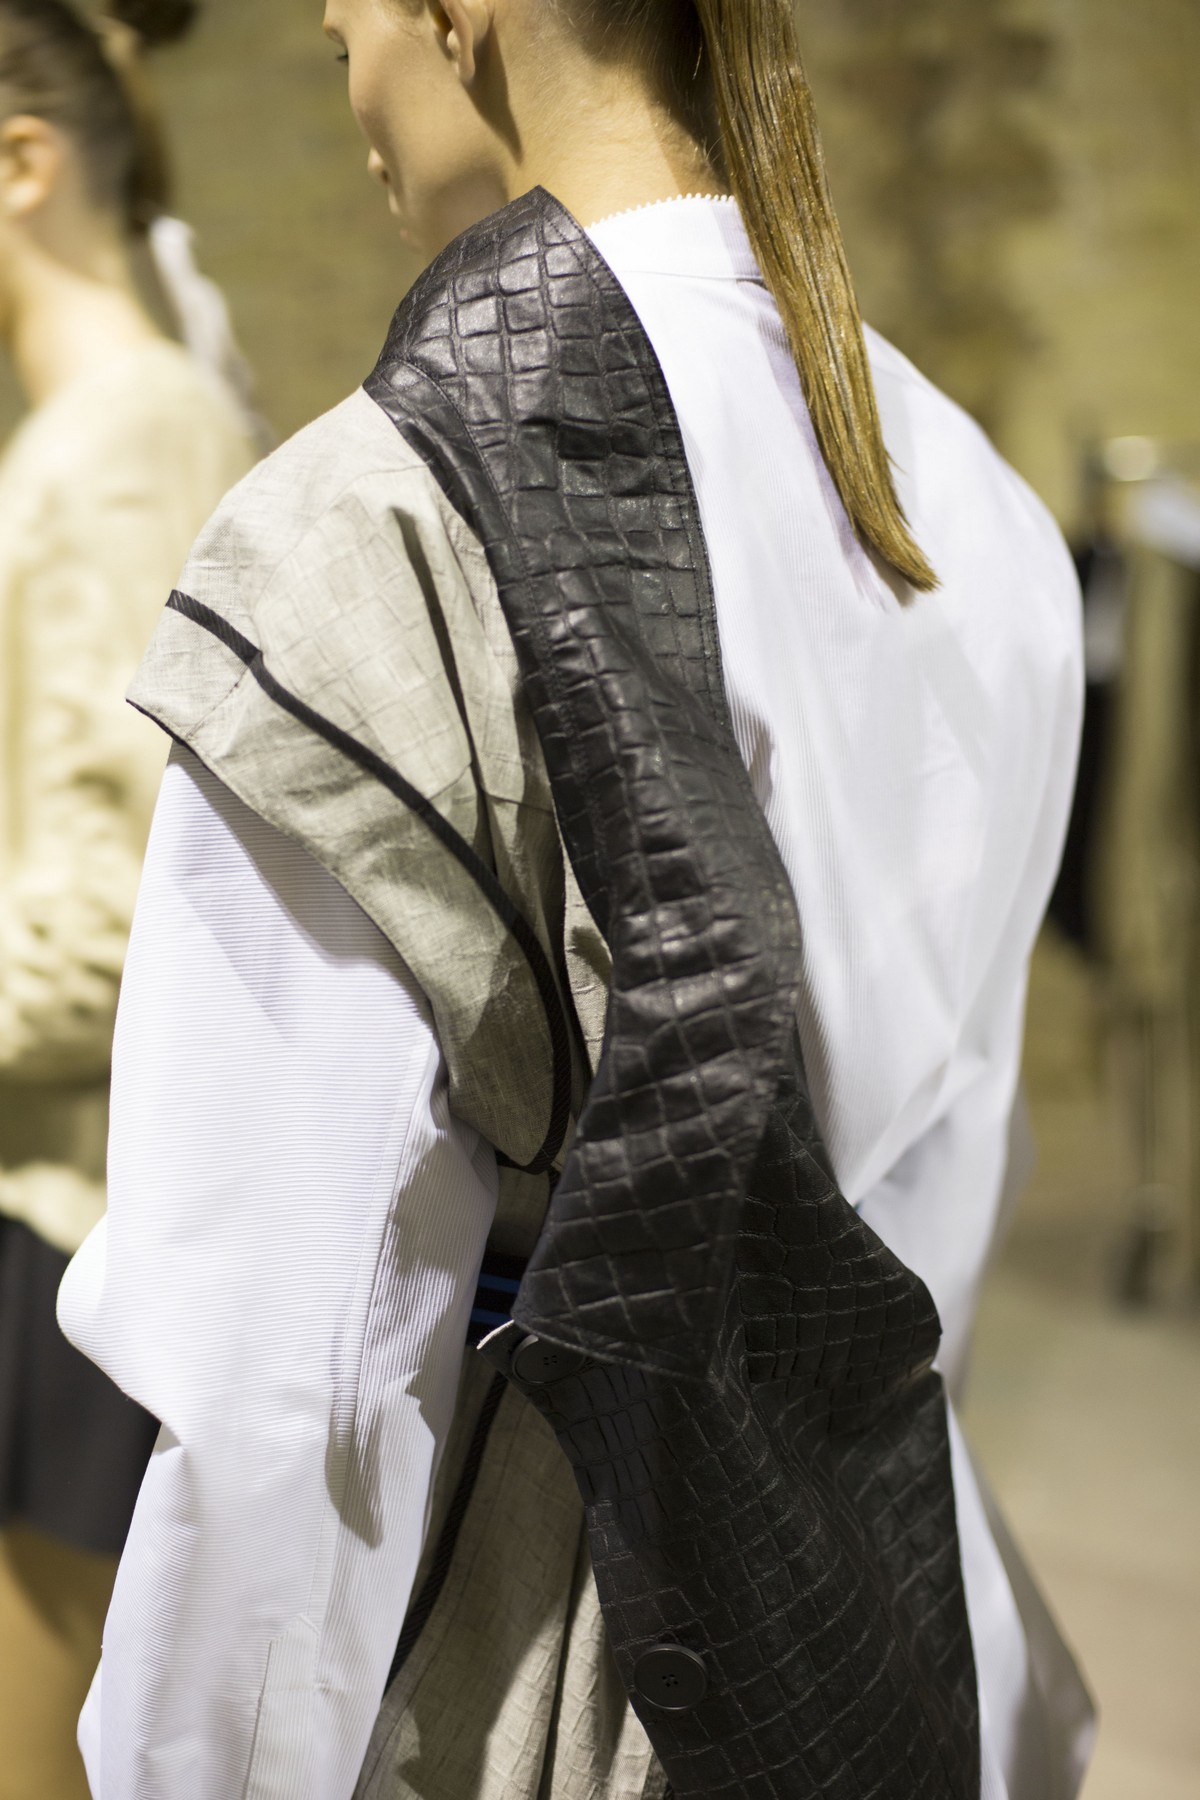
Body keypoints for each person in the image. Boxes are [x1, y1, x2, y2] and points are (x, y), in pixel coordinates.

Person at [60, 2, 1092, 1796]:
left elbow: (284, 1398)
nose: (351, 85)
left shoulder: (367, 528)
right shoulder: (975, 507)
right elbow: (941, 1199)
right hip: (887, 1644)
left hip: (547, 1673)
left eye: (343, 37)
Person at [0, 2, 254, 1794]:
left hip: (70, 1234)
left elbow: (109, 925)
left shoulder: (132, 433)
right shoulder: (80, 431)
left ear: (19, 164)